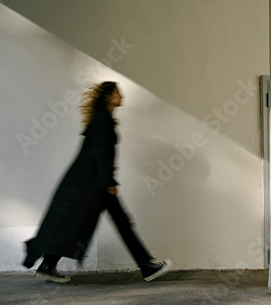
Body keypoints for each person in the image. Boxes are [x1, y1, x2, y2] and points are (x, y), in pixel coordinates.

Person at [22, 81, 172, 283]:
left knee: (76, 223)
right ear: (108, 96)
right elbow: (99, 153)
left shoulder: (103, 118)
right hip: (94, 184)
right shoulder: (103, 119)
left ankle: (48, 265)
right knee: (118, 223)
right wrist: (108, 180)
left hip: (90, 183)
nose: (122, 96)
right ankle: (146, 267)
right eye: (118, 93)